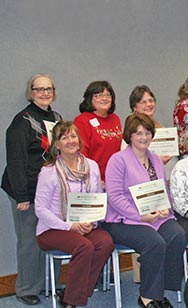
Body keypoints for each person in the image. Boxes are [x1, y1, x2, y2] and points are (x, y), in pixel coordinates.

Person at [103, 113, 186, 308]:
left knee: (177, 235)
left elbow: (162, 189)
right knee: (154, 242)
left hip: (155, 216)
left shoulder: (155, 159)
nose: (144, 137)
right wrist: (140, 216)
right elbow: (115, 197)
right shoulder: (118, 160)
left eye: (148, 133)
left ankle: (162, 289)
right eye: (138, 133)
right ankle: (148, 297)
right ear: (129, 136)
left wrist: (166, 207)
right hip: (123, 219)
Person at [34, 121, 113, 308]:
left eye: (73, 136)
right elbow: (40, 209)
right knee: (84, 247)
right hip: (52, 228)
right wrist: (70, 226)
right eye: (64, 137)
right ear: (56, 145)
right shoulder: (49, 171)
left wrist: (91, 222)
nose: (70, 141)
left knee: (105, 243)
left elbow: (96, 198)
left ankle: (72, 292)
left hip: (84, 224)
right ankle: (71, 301)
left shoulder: (91, 166)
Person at [2, 74, 62, 305]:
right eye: (40, 89)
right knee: (29, 242)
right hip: (25, 189)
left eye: (49, 89)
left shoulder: (57, 118)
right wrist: (22, 196)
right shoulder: (22, 121)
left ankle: (52, 284)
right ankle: (27, 289)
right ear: (31, 92)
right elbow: (16, 161)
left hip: (51, 190)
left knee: (55, 236)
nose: (45, 93)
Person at [74, 80, 123, 183]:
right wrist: (94, 178)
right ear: (90, 98)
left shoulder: (115, 119)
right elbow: (81, 153)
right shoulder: (82, 120)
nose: (104, 98)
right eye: (99, 95)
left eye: (108, 95)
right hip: (93, 179)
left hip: (115, 179)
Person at [129, 85, 172, 164]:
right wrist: (156, 161)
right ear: (134, 107)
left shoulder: (159, 126)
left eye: (151, 100)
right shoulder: (131, 127)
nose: (149, 104)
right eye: (143, 102)